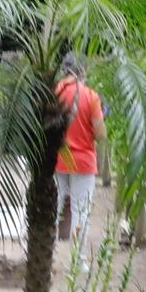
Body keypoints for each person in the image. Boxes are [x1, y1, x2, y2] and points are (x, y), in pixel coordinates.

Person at [56, 57, 106, 251]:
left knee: (55, 207)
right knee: (80, 211)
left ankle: (48, 255)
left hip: (59, 158)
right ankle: (78, 260)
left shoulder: (55, 93)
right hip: (83, 161)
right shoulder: (90, 96)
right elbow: (100, 133)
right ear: (82, 72)